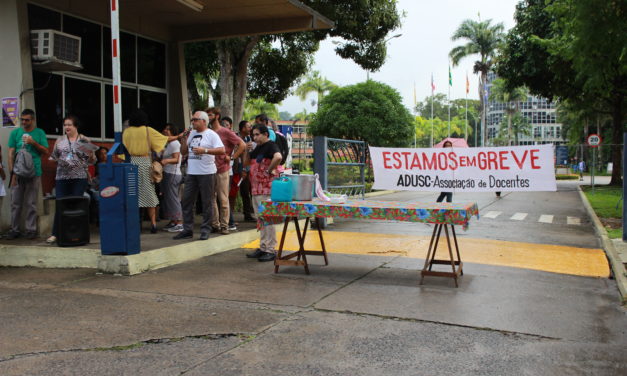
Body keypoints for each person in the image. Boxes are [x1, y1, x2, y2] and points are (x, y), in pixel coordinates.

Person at [173, 110, 225, 240]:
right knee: (186, 201)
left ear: (204, 121)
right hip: (192, 172)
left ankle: (206, 229)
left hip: (207, 173)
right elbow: (184, 152)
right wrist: (184, 139)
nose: (193, 122)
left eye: (195, 120)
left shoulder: (211, 134)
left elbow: (222, 150)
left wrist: (205, 150)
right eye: (192, 120)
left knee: (207, 202)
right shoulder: (191, 134)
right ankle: (187, 229)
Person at [46, 115, 96, 244]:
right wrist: (60, 161)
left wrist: (90, 155)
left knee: (76, 205)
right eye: (65, 125)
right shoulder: (60, 141)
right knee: (60, 204)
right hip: (62, 177)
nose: (66, 127)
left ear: (76, 126)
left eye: (69, 124)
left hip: (79, 177)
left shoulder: (84, 140)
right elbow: (53, 158)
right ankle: (56, 234)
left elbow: (92, 160)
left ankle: (76, 233)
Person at [122, 109, 168, 233]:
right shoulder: (148, 130)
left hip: (131, 163)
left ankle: (135, 224)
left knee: (132, 194)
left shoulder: (126, 132)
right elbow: (164, 139)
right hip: (145, 163)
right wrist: (179, 136)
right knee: (149, 194)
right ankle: (153, 224)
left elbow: (122, 150)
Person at [6, 109, 49, 240]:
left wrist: (33, 142)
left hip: (34, 172)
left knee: (31, 202)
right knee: (15, 203)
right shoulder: (15, 133)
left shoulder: (39, 132)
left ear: (33, 120)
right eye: (22, 119)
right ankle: (15, 229)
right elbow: (10, 154)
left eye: (27, 120)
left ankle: (31, 230)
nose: (24, 122)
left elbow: (46, 151)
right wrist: (12, 173)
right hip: (18, 173)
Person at [243, 124, 282, 262]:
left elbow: (278, 157)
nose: (255, 137)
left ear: (266, 134)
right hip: (256, 188)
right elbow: (247, 162)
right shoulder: (257, 147)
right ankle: (263, 246)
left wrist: (269, 169)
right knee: (261, 219)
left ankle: (270, 249)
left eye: (257, 134)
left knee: (267, 219)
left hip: (266, 189)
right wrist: (246, 150)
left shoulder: (271, 146)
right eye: (253, 135)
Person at [207, 107, 245, 235]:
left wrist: (232, 157)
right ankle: (215, 224)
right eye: (207, 115)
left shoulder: (225, 132)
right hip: (209, 169)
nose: (208, 117)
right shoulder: (208, 132)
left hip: (222, 169)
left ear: (217, 116)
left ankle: (225, 225)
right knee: (211, 198)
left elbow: (242, 145)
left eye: (210, 115)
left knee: (223, 199)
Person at [159, 123, 183, 232]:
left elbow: (176, 159)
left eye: (168, 129)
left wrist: (166, 160)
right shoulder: (169, 143)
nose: (165, 131)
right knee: (169, 198)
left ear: (173, 131)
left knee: (173, 198)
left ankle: (179, 222)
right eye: (165, 128)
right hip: (168, 173)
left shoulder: (174, 143)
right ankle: (173, 221)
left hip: (172, 174)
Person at [238, 120, 255, 222]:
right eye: (248, 127)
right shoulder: (237, 138)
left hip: (247, 168)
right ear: (243, 128)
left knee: (248, 191)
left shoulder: (249, 138)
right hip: (238, 169)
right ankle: (246, 214)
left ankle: (247, 214)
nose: (250, 129)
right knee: (243, 192)